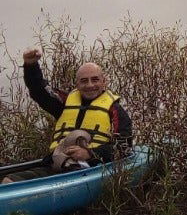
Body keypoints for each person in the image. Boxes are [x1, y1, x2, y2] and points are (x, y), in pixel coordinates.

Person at [2, 48, 133, 183]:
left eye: (95, 80)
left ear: (104, 82)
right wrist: (31, 66)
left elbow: (124, 147)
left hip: (93, 167)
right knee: (8, 181)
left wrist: (89, 154)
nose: (90, 85)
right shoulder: (64, 103)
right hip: (58, 163)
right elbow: (39, 91)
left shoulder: (115, 110)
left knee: (8, 183)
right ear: (77, 83)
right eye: (84, 81)